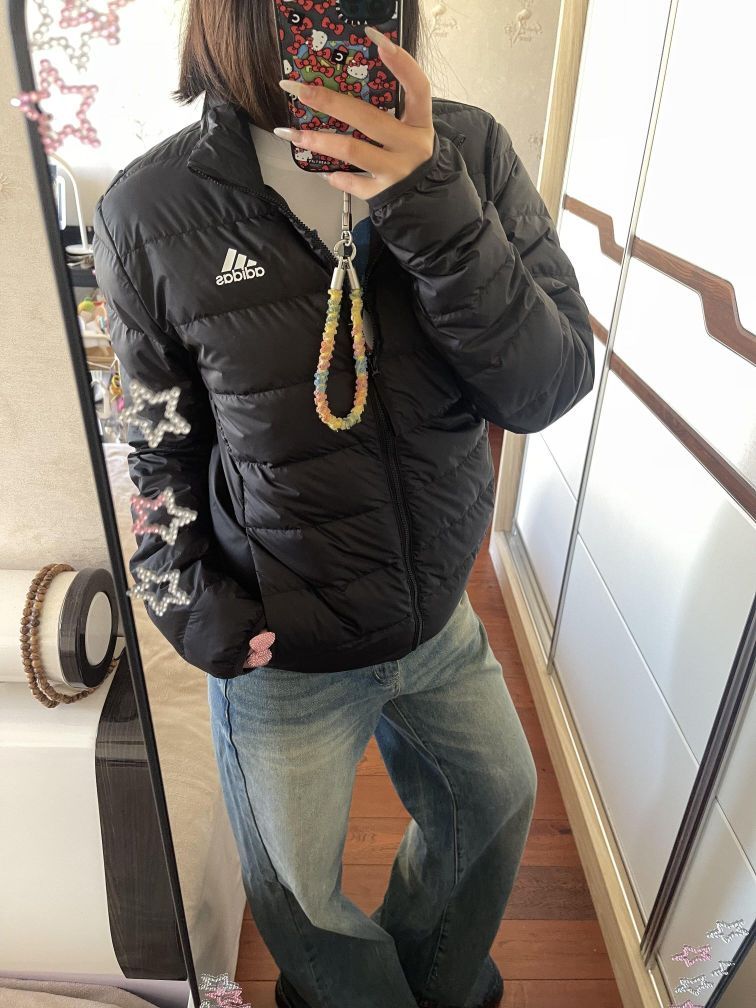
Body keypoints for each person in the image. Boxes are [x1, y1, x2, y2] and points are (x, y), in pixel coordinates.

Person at [92, 2, 595, 1006]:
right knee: (301, 894)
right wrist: (188, 601)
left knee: (495, 806)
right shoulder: (149, 210)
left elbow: (547, 385)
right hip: (286, 646)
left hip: (439, 614)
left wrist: (427, 198)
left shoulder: (468, 151)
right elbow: (152, 444)